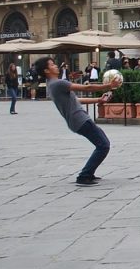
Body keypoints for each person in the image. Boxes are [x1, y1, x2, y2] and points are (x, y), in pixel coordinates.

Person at [34, 56, 120, 185]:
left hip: (77, 121)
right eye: (52, 65)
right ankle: (84, 175)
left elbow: (76, 100)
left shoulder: (51, 85)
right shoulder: (58, 83)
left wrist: (98, 100)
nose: (56, 66)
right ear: (46, 70)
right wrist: (109, 85)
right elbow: (86, 88)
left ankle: (88, 173)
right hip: (80, 120)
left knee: (102, 143)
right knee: (103, 145)